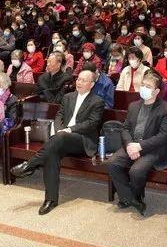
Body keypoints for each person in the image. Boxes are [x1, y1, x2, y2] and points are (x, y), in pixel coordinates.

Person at [10, 70, 105, 215]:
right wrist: (61, 130)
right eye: (78, 79)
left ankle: (29, 164)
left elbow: (92, 124)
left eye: (83, 80)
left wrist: (69, 130)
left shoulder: (97, 101)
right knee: (51, 154)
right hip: (61, 139)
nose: (78, 82)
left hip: (82, 140)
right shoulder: (68, 97)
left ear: (91, 84)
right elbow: (59, 116)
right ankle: (50, 200)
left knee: (58, 140)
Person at [107, 71, 167, 215]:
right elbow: (125, 128)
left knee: (136, 171)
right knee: (112, 163)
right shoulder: (134, 105)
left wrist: (140, 146)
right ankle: (132, 199)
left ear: (156, 91)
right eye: (143, 85)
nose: (144, 88)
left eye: (148, 86)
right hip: (131, 145)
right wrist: (130, 144)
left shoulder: (166, 109)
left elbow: (162, 137)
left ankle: (133, 197)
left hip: (153, 149)